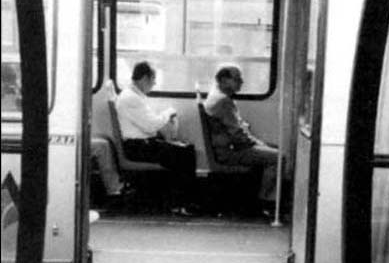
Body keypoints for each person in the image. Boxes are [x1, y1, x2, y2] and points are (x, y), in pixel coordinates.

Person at [116, 61, 196, 215]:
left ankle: (181, 202)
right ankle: (181, 204)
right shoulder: (131, 98)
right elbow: (151, 125)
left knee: (186, 149)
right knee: (185, 154)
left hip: (142, 144)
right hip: (137, 147)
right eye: (153, 80)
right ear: (145, 78)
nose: (154, 84)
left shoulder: (135, 96)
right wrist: (168, 113)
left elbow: (149, 122)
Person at [204, 64, 281, 213]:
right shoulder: (223, 102)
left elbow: (235, 128)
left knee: (273, 149)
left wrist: (259, 143)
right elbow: (238, 136)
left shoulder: (216, 97)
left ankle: (263, 198)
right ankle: (266, 202)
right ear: (224, 80)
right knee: (278, 157)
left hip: (228, 147)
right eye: (237, 79)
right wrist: (258, 143)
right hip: (231, 151)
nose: (241, 82)